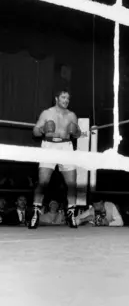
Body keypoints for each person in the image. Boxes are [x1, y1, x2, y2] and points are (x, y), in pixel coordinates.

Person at [29, 89, 84, 229]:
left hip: (66, 146)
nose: (66, 100)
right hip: (49, 145)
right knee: (43, 181)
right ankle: (35, 213)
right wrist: (42, 130)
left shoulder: (72, 115)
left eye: (68, 98)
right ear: (56, 98)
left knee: (72, 183)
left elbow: (77, 135)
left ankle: (71, 214)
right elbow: (35, 131)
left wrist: (76, 131)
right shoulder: (47, 113)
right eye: (63, 97)